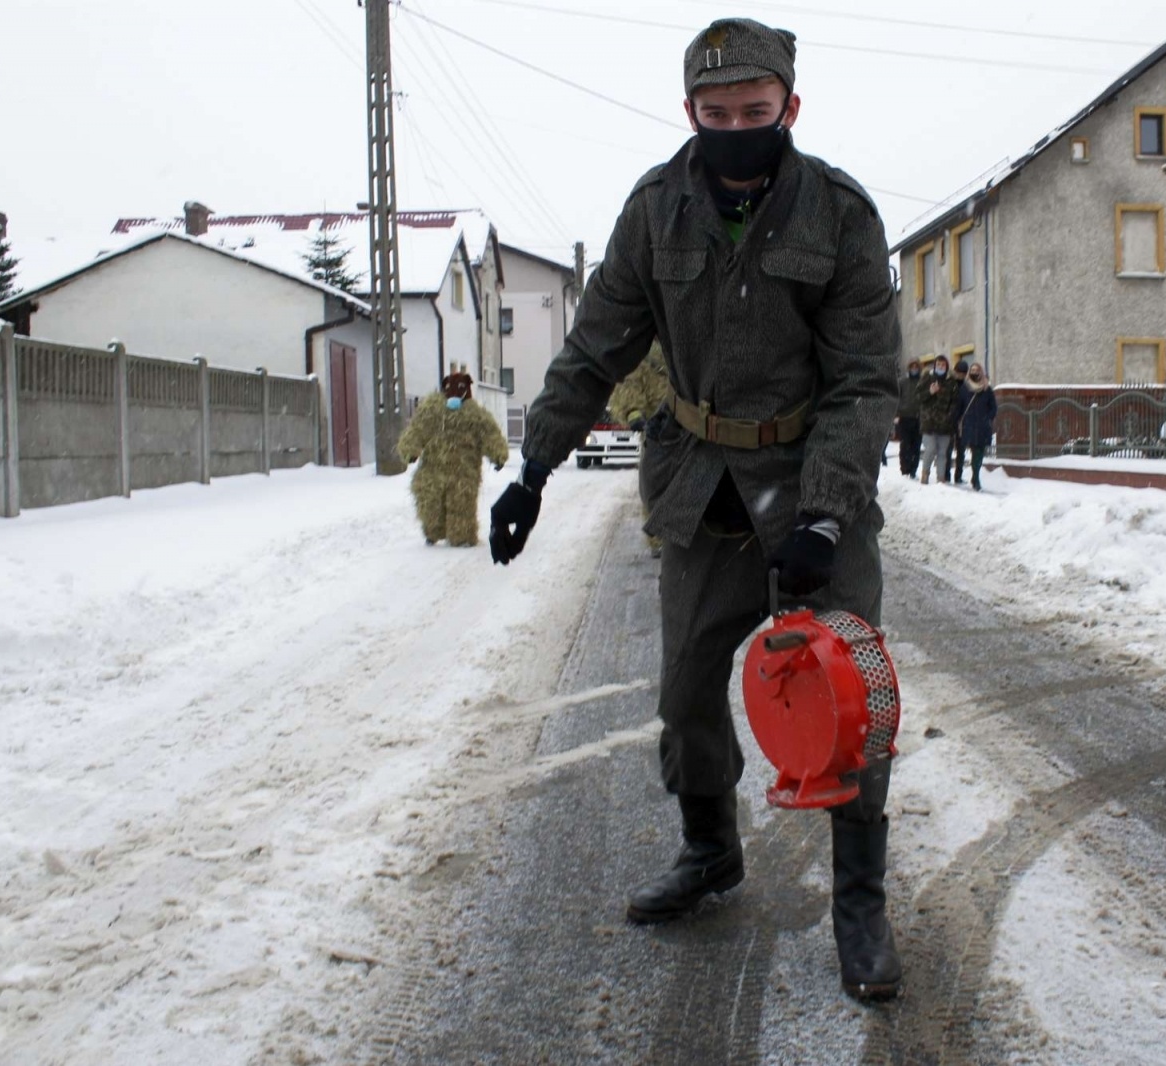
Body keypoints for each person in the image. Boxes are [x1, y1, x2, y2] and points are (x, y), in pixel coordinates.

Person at [486, 16, 903, 1002]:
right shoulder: (654, 211)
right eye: (714, 115)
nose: (733, 131)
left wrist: (829, 513)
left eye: (753, 114)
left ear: (788, 109)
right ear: (689, 113)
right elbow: (594, 350)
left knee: (852, 703)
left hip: (810, 484)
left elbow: (864, 381)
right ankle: (709, 849)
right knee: (683, 693)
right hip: (699, 486)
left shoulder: (838, 213)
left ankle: (860, 900)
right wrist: (533, 470)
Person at [397, 370, 508, 546]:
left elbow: (490, 434)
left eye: (460, 388)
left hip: (463, 471)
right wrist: (410, 450)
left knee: (461, 502)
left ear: (467, 389)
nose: (454, 393)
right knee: (430, 499)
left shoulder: (475, 415)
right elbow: (417, 430)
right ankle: (433, 531)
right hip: (433, 468)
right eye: (449, 388)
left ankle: (462, 536)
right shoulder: (433, 412)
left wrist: (498, 455)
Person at [608, 341, 672, 557]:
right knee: (654, 484)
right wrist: (634, 413)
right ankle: (659, 538)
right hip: (656, 432)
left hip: (693, 428)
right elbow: (630, 381)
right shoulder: (644, 351)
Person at [953, 361, 998, 490]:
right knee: (973, 450)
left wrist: (988, 418)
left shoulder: (987, 389)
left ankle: (975, 475)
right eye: (972, 370)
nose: (974, 372)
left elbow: (993, 407)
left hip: (983, 426)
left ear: (981, 372)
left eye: (977, 370)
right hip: (969, 425)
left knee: (979, 452)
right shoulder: (965, 388)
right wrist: (957, 420)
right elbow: (959, 406)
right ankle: (975, 478)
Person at [916, 354, 959, 484]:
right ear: (935, 366)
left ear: (946, 367)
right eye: (939, 365)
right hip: (929, 422)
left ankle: (941, 479)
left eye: (943, 365)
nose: (941, 367)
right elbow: (918, 397)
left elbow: (955, 402)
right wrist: (930, 392)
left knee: (942, 452)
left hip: (945, 424)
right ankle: (925, 475)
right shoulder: (927, 378)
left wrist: (949, 415)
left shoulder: (951, 382)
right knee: (930, 449)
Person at [894, 358, 923, 478]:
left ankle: (913, 469)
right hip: (904, 417)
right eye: (912, 367)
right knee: (905, 445)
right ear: (909, 368)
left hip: (919, 418)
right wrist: (896, 414)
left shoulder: (922, 381)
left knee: (916, 445)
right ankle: (905, 469)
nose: (914, 369)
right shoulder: (902, 382)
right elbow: (896, 398)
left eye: (916, 367)